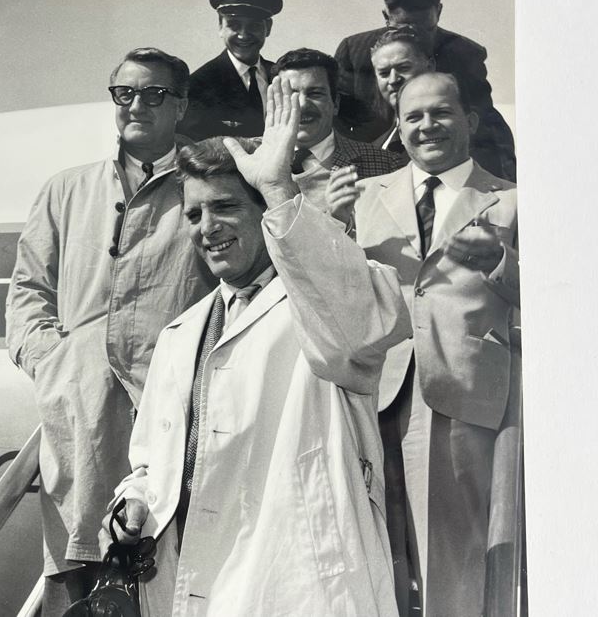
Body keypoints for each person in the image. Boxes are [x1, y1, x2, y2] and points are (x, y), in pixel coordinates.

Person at [102, 78, 411, 616]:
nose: (206, 227)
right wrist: (130, 506)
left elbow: (361, 322)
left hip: (299, 584)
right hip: (196, 583)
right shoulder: (181, 335)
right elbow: (151, 461)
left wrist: (279, 190)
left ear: (264, 212)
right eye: (194, 214)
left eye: (225, 207)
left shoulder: (325, 299)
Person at [5, 47, 217, 616]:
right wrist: (55, 360)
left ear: (182, 106)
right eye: (125, 93)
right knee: (80, 575)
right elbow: (27, 291)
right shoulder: (66, 190)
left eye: (154, 94)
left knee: (173, 576)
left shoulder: (205, 187)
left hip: (177, 417)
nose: (137, 105)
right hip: (80, 414)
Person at [321, 72, 519, 616]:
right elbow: (334, 291)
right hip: (369, 393)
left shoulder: (511, 200)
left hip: (462, 397)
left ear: (470, 121)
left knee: (452, 553)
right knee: (371, 547)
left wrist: (501, 265)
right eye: (413, 117)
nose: (426, 125)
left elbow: (552, 302)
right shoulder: (357, 197)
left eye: (441, 113)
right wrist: (332, 229)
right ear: (398, 128)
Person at [334, 0, 517, 182]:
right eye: (402, 30)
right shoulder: (354, 51)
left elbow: (486, 125)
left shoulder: (465, 54)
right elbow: (338, 123)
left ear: (438, 12)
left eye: (425, 30)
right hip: (371, 165)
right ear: (386, 16)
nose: (416, 40)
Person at [271, 48, 406, 193]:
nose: (302, 105)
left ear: (335, 103)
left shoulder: (386, 166)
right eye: (291, 95)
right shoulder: (251, 159)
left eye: (315, 94)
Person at [176, 0, 282, 141]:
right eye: (234, 25)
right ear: (220, 27)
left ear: (268, 27)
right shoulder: (198, 85)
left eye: (254, 26)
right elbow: (195, 150)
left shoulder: (279, 77)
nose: (243, 35)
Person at [367, 26, 435, 151]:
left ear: (429, 67)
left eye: (404, 68)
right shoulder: (375, 149)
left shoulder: (456, 133)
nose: (393, 80)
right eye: (384, 73)